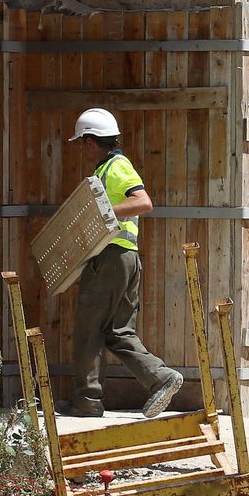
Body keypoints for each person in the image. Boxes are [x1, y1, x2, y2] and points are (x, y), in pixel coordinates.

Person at [59, 107, 184, 419]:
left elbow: (143, 202)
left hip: (111, 257)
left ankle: (87, 401)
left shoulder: (115, 166)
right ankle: (160, 377)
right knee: (117, 331)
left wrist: (102, 213)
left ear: (90, 141)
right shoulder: (107, 168)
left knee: (89, 330)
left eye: (81, 143)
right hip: (124, 258)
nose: (81, 149)